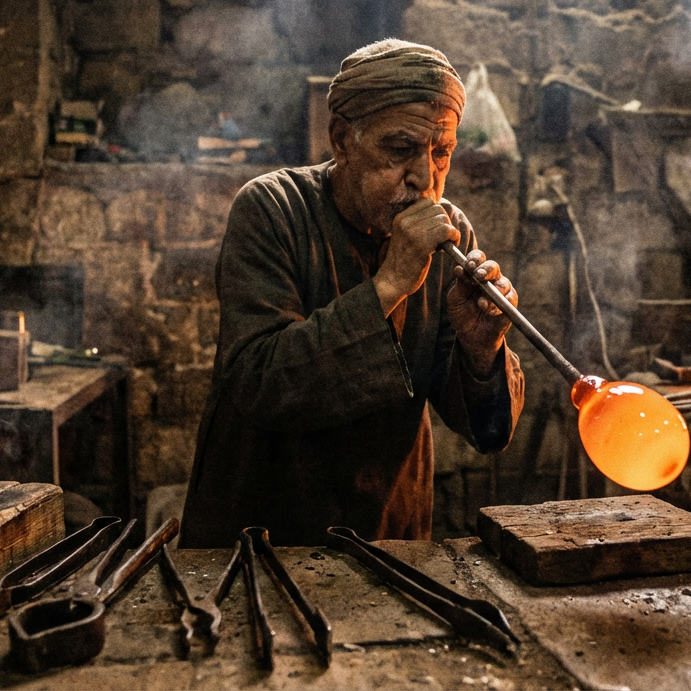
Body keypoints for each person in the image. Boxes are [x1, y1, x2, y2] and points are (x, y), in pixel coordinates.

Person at [179, 40, 525, 547]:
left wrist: (482, 350)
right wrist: (389, 284)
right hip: (261, 537)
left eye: (441, 152)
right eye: (400, 149)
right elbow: (260, 383)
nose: (425, 178)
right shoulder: (272, 211)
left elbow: (484, 430)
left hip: (388, 536)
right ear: (341, 138)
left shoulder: (451, 233)